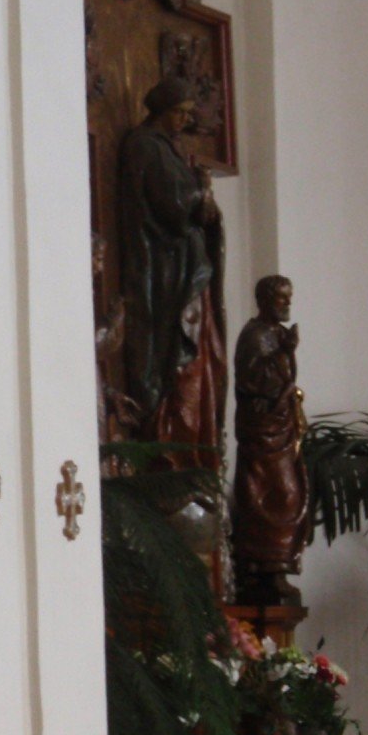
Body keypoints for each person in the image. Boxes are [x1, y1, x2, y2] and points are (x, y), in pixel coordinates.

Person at [116, 76, 226, 461]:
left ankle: (193, 441)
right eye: (179, 112)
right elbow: (172, 204)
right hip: (165, 268)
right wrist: (202, 190)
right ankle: (169, 436)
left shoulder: (167, 147)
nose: (184, 120)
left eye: (188, 113)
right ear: (161, 110)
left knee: (199, 349)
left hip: (186, 265)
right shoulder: (145, 145)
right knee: (176, 348)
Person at [231, 276, 311, 606]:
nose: (287, 304)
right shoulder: (254, 335)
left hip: (281, 425)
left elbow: (286, 377)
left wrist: (285, 351)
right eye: (281, 298)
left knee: (289, 493)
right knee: (276, 493)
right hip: (262, 428)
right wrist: (283, 352)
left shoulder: (277, 333)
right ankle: (262, 564)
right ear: (264, 300)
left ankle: (278, 564)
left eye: (289, 297)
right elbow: (251, 379)